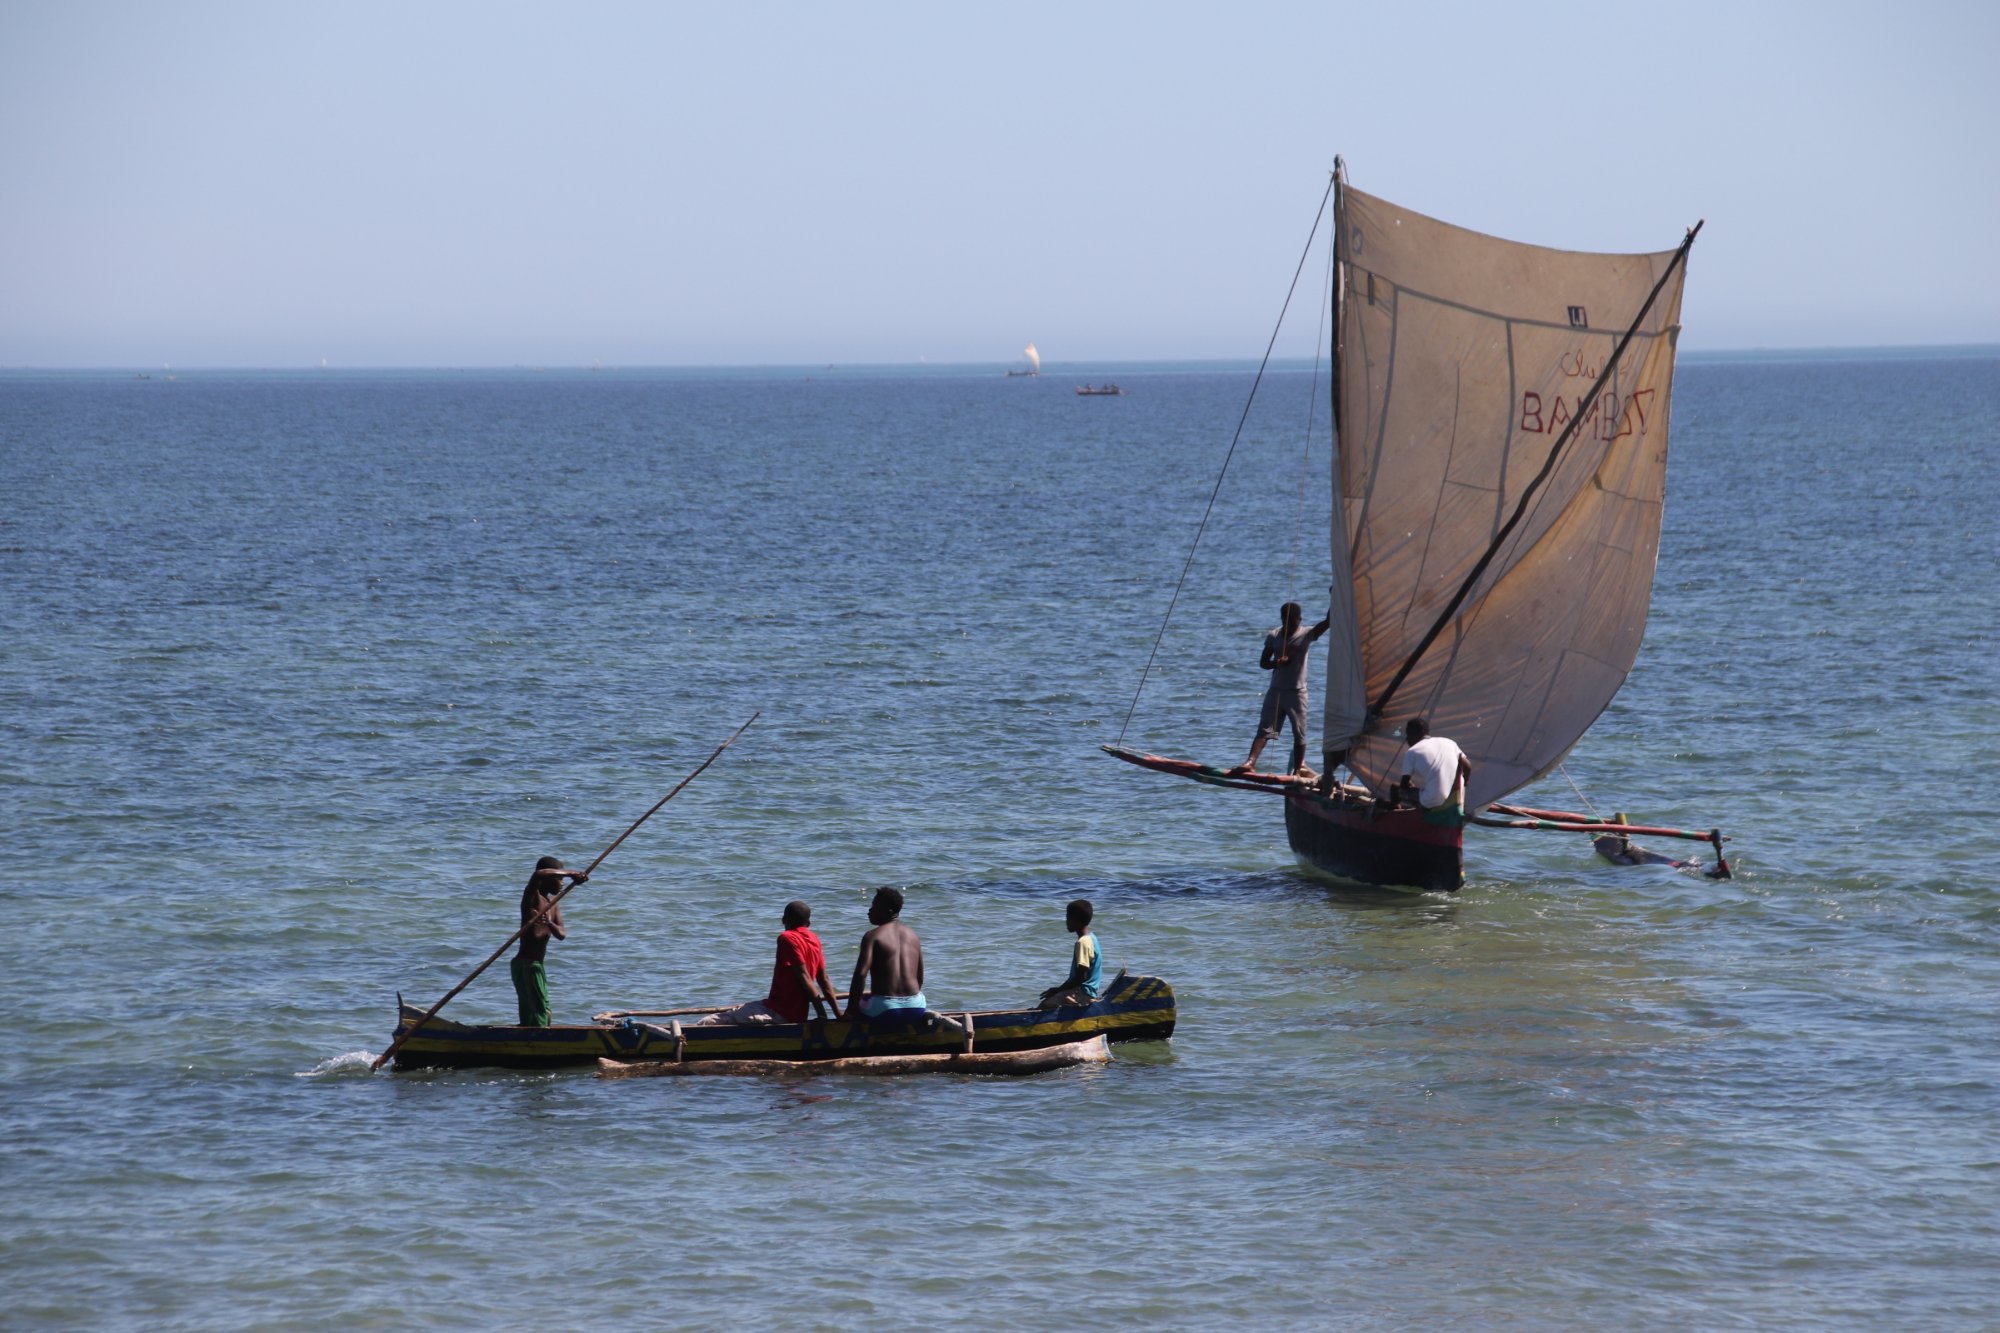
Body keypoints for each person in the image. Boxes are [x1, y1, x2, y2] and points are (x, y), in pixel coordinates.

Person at [700, 900, 842, 1025]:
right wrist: (838, 1014)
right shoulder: (814, 939)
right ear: (808, 923)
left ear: (783, 920)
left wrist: (822, 1015)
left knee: (708, 1022)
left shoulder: (786, 938)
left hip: (780, 1013)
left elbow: (804, 976)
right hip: (791, 1012)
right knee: (740, 1010)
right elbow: (824, 979)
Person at [1234, 601, 1331, 776]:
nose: (1289, 625)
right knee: (1265, 728)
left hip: (1297, 692)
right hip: (1276, 691)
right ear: (1282, 619)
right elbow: (1263, 663)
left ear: (1300, 619)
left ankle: (1298, 769)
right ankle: (1250, 762)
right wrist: (1276, 663)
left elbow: (1328, 622)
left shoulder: (1306, 634)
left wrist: (1335, 596)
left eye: (1292, 622)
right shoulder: (1274, 636)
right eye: (1286, 621)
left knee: (1299, 732)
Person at [512, 856, 586, 1027]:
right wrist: (571, 874)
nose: (562, 883)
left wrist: (550, 923)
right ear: (549, 879)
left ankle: (535, 1034)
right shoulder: (532, 898)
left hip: (537, 965)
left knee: (541, 1009)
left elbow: (562, 934)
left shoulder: (553, 904)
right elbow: (538, 874)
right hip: (526, 964)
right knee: (536, 1011)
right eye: (559, 879)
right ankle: (535, 1037)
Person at [846, 886, 925, 1020]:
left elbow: (861, 974)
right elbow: (920, 977)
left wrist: (851, 1010)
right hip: (917, 1006)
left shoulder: (872, 936)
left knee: (861, 1004)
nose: (870, 910)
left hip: (886, 1008)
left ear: (889, 911)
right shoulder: (913, 936)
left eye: (874, 906)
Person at [1395, 717, 1471, 815]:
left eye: (1409, 734)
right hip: (1455, 798)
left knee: (1395, 790)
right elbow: (1468, 766)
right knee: (1428, 791)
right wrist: (1464, 785)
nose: (1407, 738)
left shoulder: (1411, 752)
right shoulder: (1449, 742)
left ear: (1420, 732)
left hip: (1433, 801)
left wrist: (1409, 785)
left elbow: (1404, 786)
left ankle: (1392, 813)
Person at [1039, 898, 1104, 1009]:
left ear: (1076, 919)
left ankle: (1075, 1004)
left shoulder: (1082, 942)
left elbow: (1080, 978)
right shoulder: (1092, 937)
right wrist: (1059, 990)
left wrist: (1058, 990)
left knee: (1045, 1005)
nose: (1066, 921)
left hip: (1082, 992)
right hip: (1088, 991)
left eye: (1068, 917)